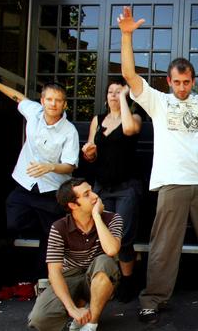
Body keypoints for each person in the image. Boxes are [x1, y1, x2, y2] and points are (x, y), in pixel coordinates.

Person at [117, 6, 198, 324]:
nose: (182, 87)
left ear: (193, 81)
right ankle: (153, 298)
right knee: (164, 245)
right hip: (172, 184)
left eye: (187, 82)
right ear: (169, 80)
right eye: (177, 82)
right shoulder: (158, 102)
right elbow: (130, 76)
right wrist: (126, 35)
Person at [0, 63, 79, 279]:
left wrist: (50, 166)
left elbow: (70, 165)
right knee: (13, 222)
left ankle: (42, 281)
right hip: (25, 183)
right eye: (49, 99)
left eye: (58, 100)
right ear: (42, 101)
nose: (53, 104)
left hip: (51, 190)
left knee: (50, 238)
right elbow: (18, 97)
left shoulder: (70, 131)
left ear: (64, 104)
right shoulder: (34, 112)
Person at [28, 178, 123, 331]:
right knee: (40, 320)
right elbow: (54, 272)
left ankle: (91, 323)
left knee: (105, 261)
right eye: (86, 194)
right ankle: (79, 307)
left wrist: (97, 217)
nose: (95, 196)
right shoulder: (59, 227)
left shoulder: (112, 218)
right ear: (72, 205)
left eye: (91, 190)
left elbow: (112, 250)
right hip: (70, 276)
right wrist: (71, 308)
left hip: (97, 275)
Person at [81, 78, 143, 302]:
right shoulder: (98, 120)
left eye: (119, 92)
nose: (114, 95)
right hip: (102, 187)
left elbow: (128, 129)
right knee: (100, 235)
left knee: (123, 237)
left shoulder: (135, 117)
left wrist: (126, 98)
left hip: (126, 187)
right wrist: (88, 153)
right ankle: (103, 281)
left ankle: (127, 282)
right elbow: (91, 153)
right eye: (111, 92)